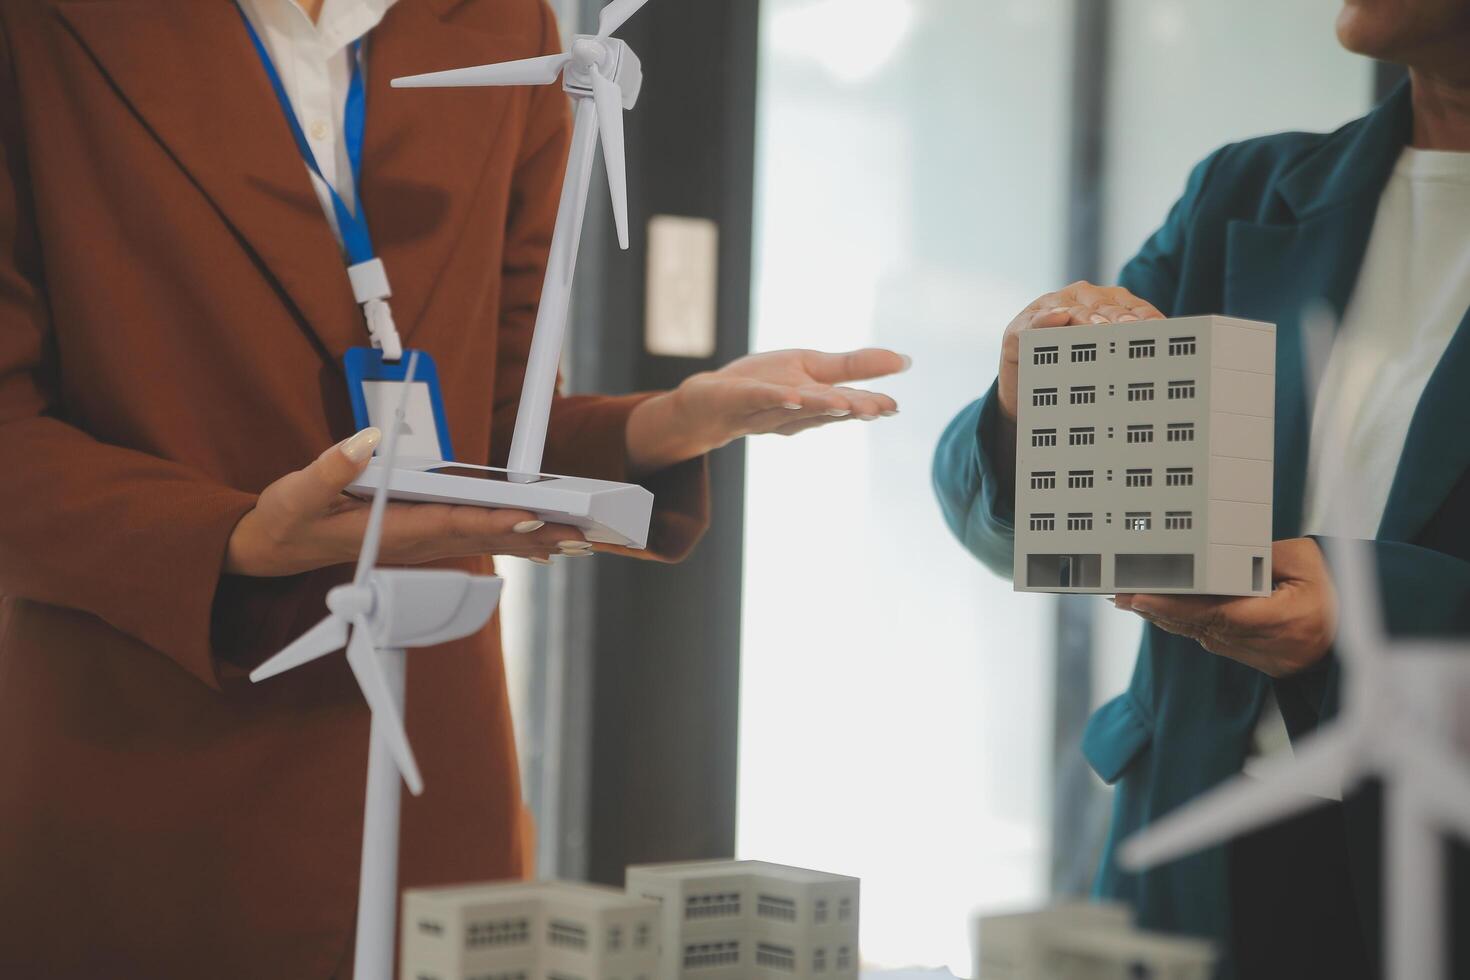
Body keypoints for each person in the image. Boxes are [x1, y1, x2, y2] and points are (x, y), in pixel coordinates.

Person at [0, 0, 907, 976]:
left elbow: (498, 423)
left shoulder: (505, 26)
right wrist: (239, 539)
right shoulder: (46, 29)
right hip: (153, 767)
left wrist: (672, 421)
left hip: (434, 770)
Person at [933, 1, 1470, 977]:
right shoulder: (1245, 192)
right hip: (1191, 843)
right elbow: (1011, 520)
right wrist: (1026, 410)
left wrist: (1367, 607)